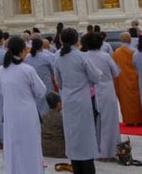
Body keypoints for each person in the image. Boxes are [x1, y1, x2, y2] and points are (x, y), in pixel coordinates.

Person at [54, 27, 101, 174]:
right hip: (82, 100)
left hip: (68, 99)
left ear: (61, 40)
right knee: (85, 135)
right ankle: (87, 168)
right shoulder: (82, 57)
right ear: (77, 40)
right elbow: (96, 77)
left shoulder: (58, 57)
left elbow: (58, 82)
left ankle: (76, 166)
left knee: (72, 134)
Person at [0, 36, 47, 174]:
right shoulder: (27, 70)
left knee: (13, 147)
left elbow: (1, 91)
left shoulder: (1, 70)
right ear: (23, 51)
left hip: (10, 114)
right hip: (27, 115)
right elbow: (41, 91)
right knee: (30, 147)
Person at [81, 32, 121, 160]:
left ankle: (95, 149)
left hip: (89, 90)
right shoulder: (105, 56)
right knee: (109, 122)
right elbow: (116, 72)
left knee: (93, 122)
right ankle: (109, 152)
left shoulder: (83, 56)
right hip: (106, 90)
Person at [112, 32, 142, 125]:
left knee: (126, 101)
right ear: (130, 40)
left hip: (123, 80)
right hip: (136, 79)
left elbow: (114, 67)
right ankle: (139, 119)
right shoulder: (136, 51)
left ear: (120, 40)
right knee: (137, 100)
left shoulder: (117, 52)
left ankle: (129, 120)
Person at [24, 37, 55, 117]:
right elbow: (53, 70)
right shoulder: (47, 57)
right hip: (45, 84)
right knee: (46, 105)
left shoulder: (28, 57)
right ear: (42, 46)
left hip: (33, 85)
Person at [40, 92, 67, 159]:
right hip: (59, 152)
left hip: (44, 151)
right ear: (58, 104)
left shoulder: (44, 117)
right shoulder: (61, 118)